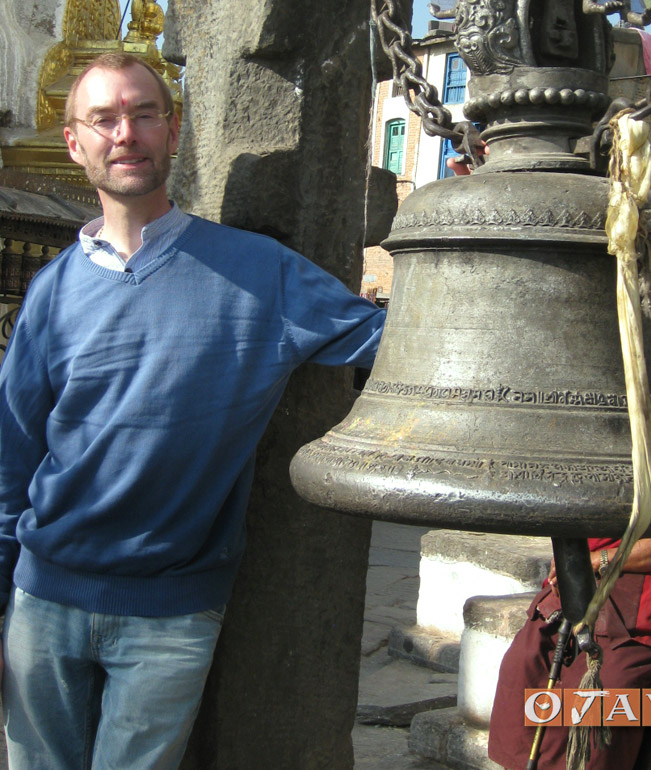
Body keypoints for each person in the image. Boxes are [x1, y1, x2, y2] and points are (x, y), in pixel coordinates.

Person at [0, 52, 386, 769]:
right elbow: (12, 457)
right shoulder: (51, 293)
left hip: (173, 613)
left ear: (173, 132)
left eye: (145, 113)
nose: (127, 133)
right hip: (43, 599)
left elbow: (393, 342)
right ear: (74, 142)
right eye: (104, 118)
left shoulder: (258, 273)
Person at [487, 533, 651, 769]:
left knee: (601, 702)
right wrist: (569, 557)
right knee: (523, 665)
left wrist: (597, 559)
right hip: (583, 580)